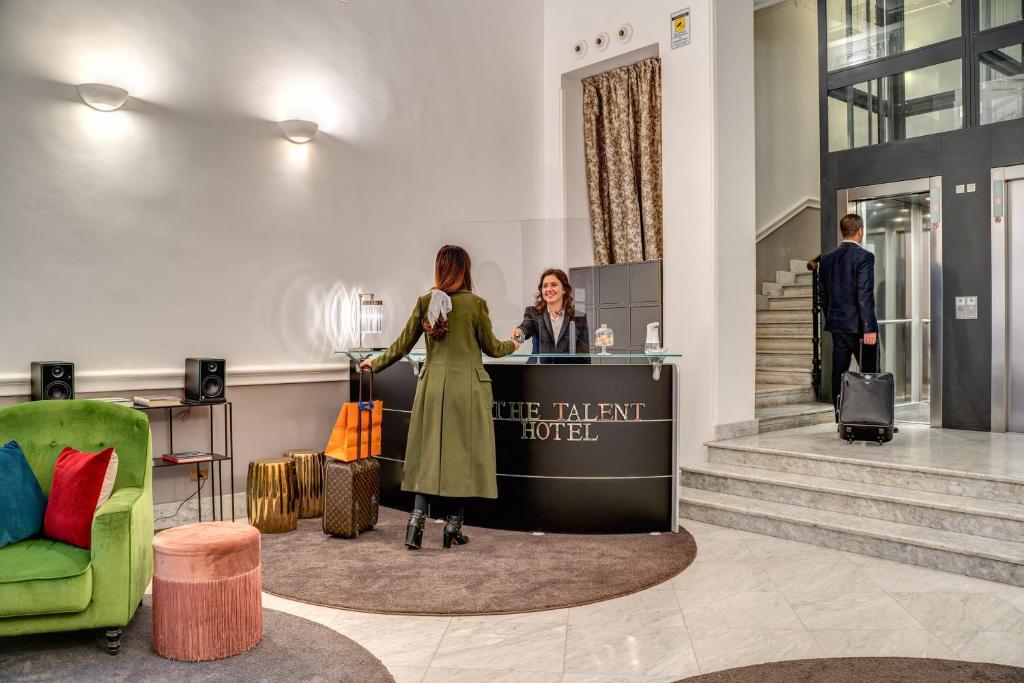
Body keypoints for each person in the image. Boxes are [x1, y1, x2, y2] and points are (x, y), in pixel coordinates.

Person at [359, 245, 519, 550]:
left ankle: (415, 524)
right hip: (466, 391)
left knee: (427, 455)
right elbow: (493, 349)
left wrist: (374, 362)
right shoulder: (476, 305)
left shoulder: (425, 302)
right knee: (464, 457)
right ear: (465, 269)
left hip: (432, 388)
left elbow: (402, 345)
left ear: (440, 269)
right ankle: (452, 527)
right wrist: (514, 342)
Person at [818, 213, 879, 416]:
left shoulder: (827, 259)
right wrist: (869, 327)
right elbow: (865, 293)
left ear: (842, 231)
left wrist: (832, 319)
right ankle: (873, 417)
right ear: (860, 231)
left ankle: (841, 416)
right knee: (870, 373)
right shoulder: (864, 257)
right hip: (861, 328)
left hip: (838, 326)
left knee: (839, 372)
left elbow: (823, 296)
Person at [512, 268, 590, 364]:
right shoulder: (533, 312)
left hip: (567, 373)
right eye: (545, 286)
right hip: (538, 371)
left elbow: (584, 355)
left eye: (554, 285)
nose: (548, 289)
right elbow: (526, 328)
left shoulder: (579, 317)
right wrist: (518, 336)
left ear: (564, 289)